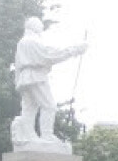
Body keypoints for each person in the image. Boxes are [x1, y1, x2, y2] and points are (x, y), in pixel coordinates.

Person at [12, 17, 87, 150]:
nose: (41, 29)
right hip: (36, 76)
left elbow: (18, 65)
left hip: (25, 78)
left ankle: (28, 136)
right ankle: (46, 136)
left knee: (29, 108)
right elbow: (49, 55)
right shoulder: (32, 41)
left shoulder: (22, 42)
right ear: (34, 27)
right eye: (40, 26)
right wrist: (74, 50)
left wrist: (17, 81)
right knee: (49, 105)